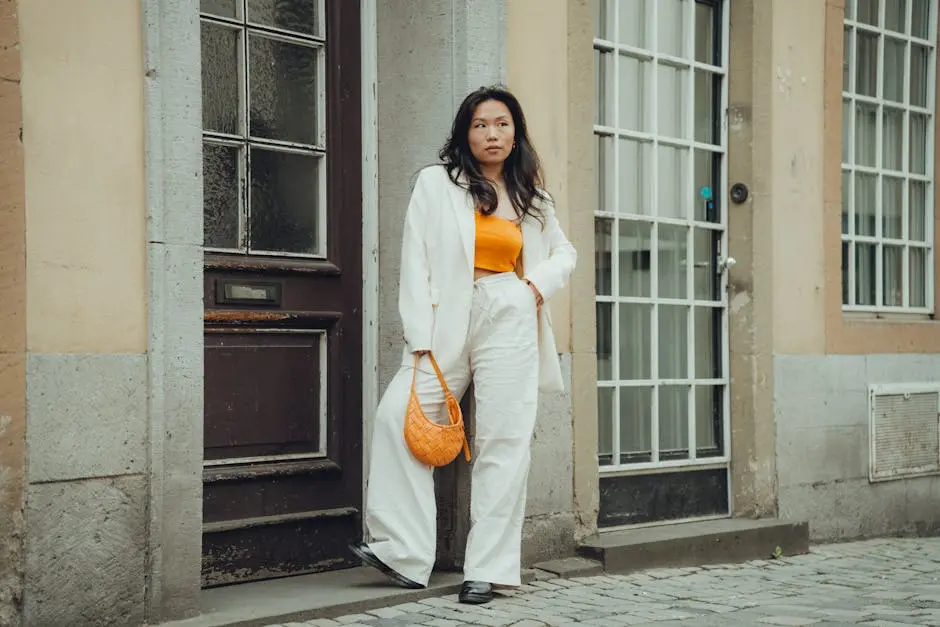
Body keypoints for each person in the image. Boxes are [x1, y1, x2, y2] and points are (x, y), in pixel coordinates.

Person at [349, 85, 577, 605]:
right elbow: (416, 260)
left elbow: (565, 253)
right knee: (395, 418)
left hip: (509, 313)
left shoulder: (532, 198)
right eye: (479, 125)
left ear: (515, 131)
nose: (491, 134)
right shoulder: (436, 184)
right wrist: (418, 337)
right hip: (446, 318)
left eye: (501, 123)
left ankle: (488, 568)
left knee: (504, 442)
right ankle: (402, 550)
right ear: (464, 133)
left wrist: (532, 289)